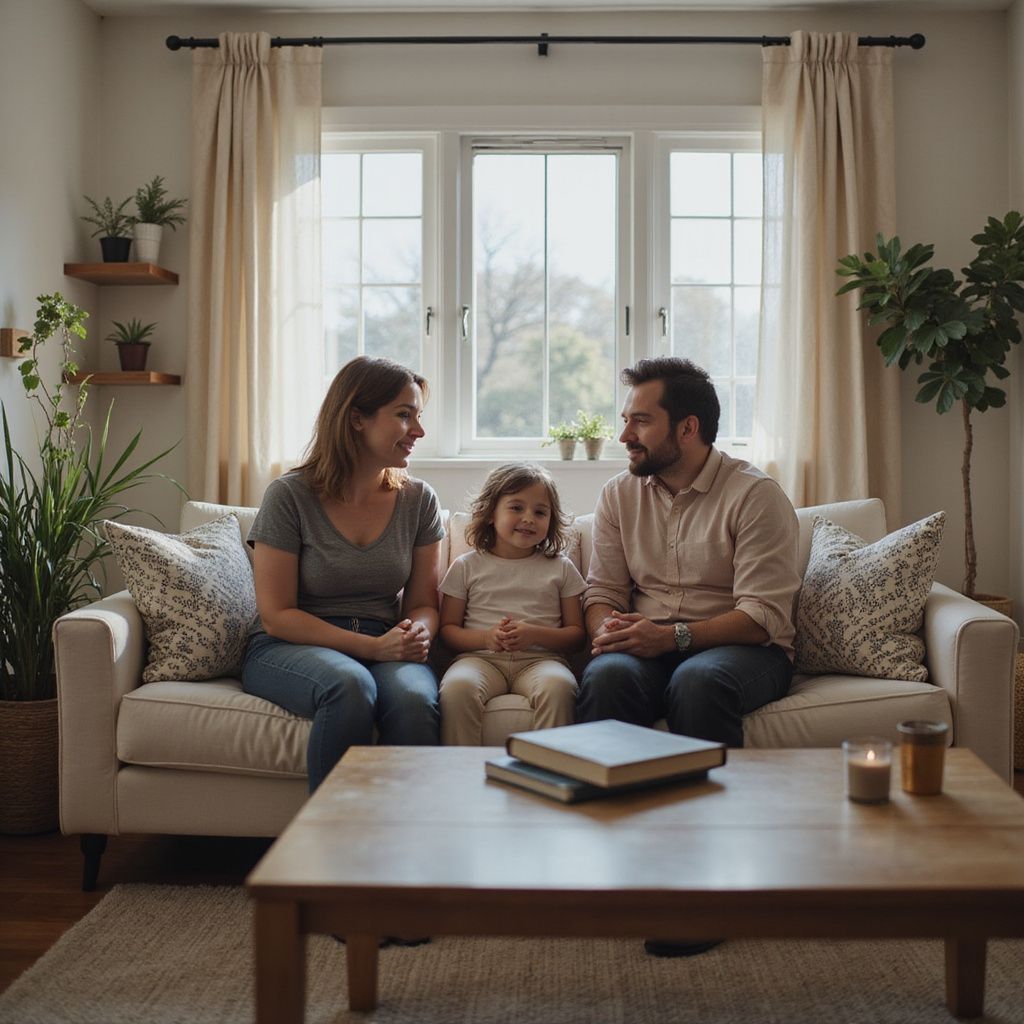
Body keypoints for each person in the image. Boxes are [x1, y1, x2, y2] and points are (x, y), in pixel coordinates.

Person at [578, 356, 801, 958]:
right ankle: (617, 873)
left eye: (640, 421)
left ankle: (706, 892)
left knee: (699, 683)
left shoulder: (755, 496)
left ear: (688, 428)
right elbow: (601, 593)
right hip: (648, 643)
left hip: (743, 648)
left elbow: (762, 616)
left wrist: (670, 638)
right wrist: (610, 632)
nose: (624, 435)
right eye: (626, 420)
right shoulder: (619, 494)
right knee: (607, 676)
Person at [242, 356, 445, 794]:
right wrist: (373, 648)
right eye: (404, 415)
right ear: (356, 418)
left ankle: (408, 831)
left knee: (413, 699)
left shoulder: (419, 500)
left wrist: (417, 632)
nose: (419, 431)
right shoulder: (289, 496)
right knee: (349, 685)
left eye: (418, 416)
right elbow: (277, 615)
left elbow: (424, 604)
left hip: (384, 637)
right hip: (290, 645)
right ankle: (334, 834)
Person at [438, 463, 586, 745]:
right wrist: (486, 638)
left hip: (541, 661)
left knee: (559, 687)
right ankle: (461, 769)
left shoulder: (561, 567)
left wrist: (535, 634)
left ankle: (550, 768)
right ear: (490, 513)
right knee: (457, 688)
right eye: (516, 508)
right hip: (480, 659)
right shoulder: (466, 566)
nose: (528, 518)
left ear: (551, 520)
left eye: (540, 512)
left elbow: (577, 636)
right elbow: (447, 631)